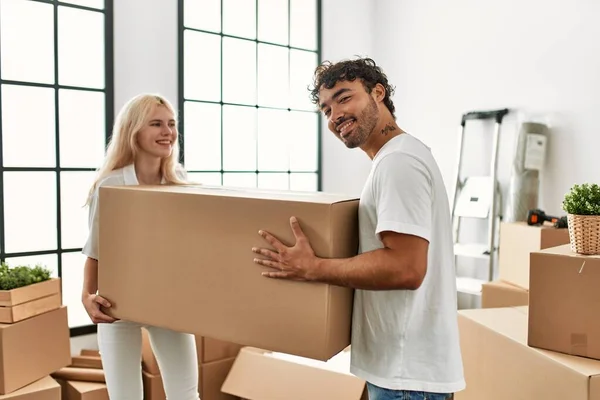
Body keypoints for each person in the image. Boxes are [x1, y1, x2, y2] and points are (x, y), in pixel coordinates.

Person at [251, 58, 464, 400]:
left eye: (344, 98)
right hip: (398, 370)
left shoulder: (398, 162)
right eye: (326, 109)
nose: (335, 115)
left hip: (405, 376)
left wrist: (312, 268)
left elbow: (406, 268)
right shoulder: (396, 158)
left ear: (377, 93)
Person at [81, 94, 200, 400]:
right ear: (133, 131)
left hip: (168, 302)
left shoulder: (181, 182)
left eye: (172, 124)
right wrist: (86, 296)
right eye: (157, 124)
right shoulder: (110, 185)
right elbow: (96, 250)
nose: (168, 132)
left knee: (186, 395)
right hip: (116, 306)